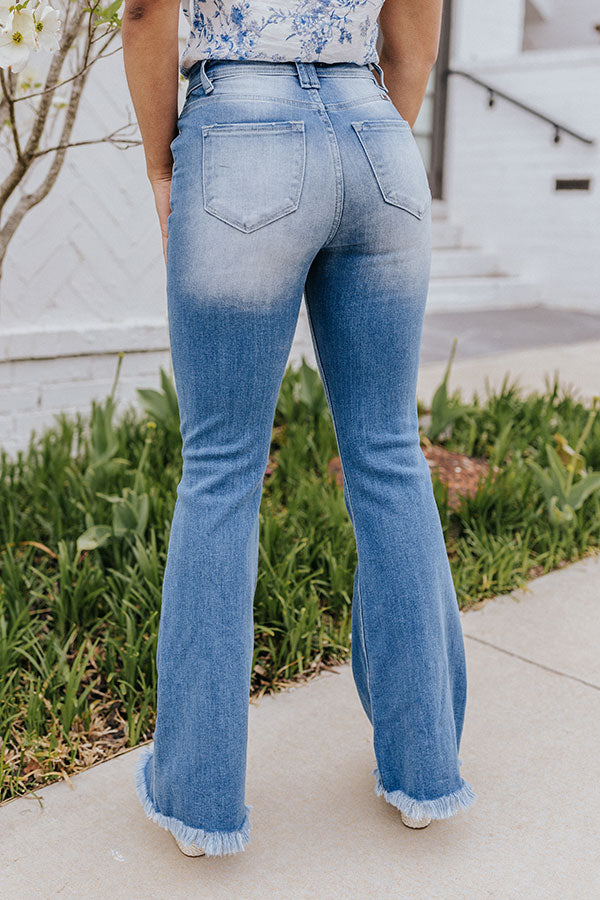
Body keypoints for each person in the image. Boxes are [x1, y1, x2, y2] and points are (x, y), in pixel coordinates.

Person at [122, 0, 476, 858]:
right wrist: (372, 135)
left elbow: (143, 10)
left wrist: (162, 168)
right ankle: (425, 772)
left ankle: (201, 801)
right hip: (374, 129)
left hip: (240, 132)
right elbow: (418, 28)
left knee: (221, 468)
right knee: (390, 453)